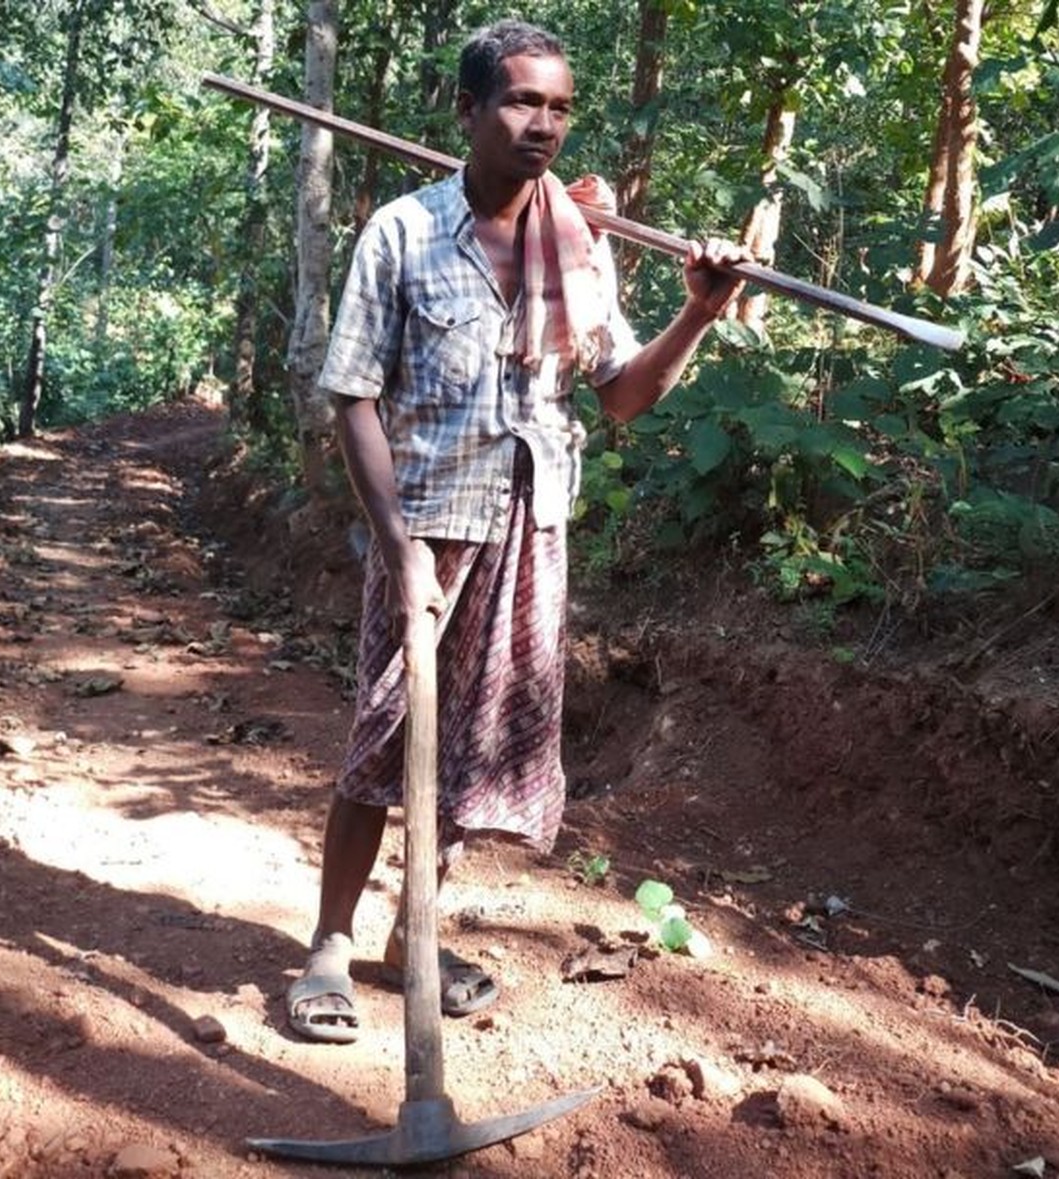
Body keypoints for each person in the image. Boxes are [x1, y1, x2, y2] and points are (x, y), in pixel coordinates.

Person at [286, 17, 746, 1043]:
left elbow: (622, 397)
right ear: (468, 109)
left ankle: (413, 936)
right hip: (429, 526)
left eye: (559, 107)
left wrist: (700, 313)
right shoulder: (402, 233)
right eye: (521, 101)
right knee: (381, 735)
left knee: (465, 749)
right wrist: (398, 545)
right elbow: (352, 396)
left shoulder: (582, 246)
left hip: (530, 526)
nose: (543, 125)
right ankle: (324, 947)